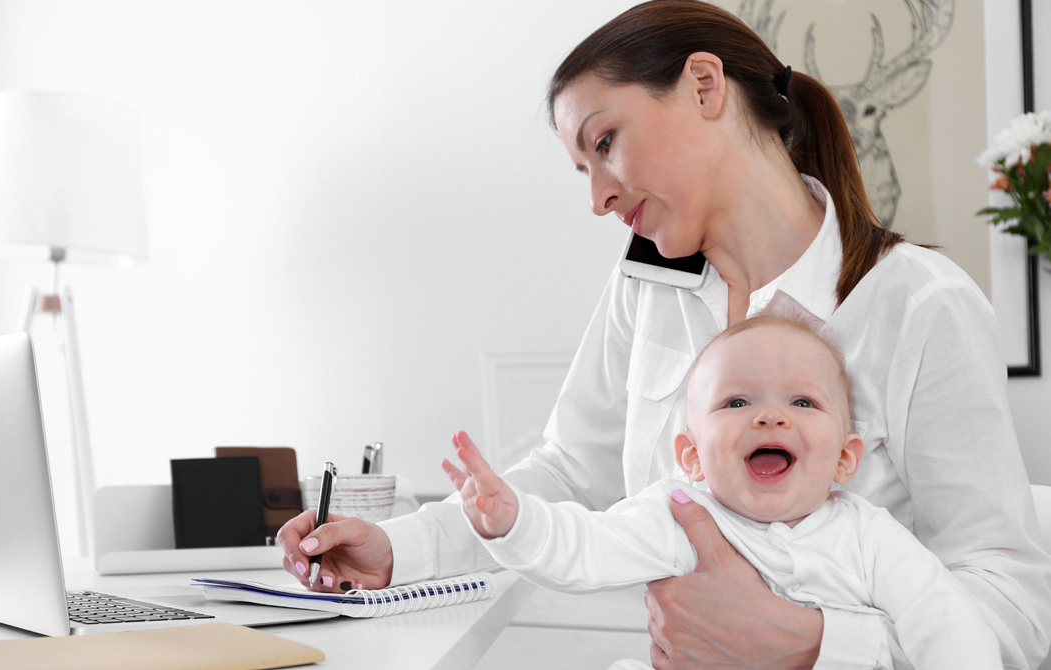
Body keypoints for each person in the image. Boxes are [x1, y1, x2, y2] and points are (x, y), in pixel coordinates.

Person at [277, 1, 1051, 667]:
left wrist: (813, 643)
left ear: (705, 86)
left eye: (604, 144)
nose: (599, 200)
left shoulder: (917, 303)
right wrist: (398, 549)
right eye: (582, 170)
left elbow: (1013, 614)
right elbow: (567, 474)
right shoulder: (647, 284)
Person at [442, 303, 1001, 670]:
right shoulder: (677, 513)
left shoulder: (869, 536)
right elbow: (583, 547)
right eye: (737, 402)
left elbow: (945, 621)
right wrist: (515, 521)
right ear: (691, 455)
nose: (770, 417)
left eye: (802, 402)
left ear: (845, 457)